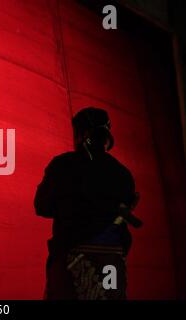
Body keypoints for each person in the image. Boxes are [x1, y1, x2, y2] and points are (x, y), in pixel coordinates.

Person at [34, 107, 141, 300]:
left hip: (71, 256)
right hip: (112, 259)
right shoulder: (123, 174)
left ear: (80, 134)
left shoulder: (62, 165)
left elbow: (41, 206)